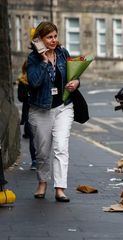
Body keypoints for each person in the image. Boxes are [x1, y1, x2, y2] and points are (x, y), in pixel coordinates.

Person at [27, 21, 79, 202]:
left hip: (63, 106)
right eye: (49, 37)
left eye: (55, 36)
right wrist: (43, 60)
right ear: (39, 39)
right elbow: (34, 82)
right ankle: (42, 182)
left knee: (61, 147)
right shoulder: (33, 59)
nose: (53, 40)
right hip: (40, 109)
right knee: (42, 151)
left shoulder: (63, 54)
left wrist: (76, 83)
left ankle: (60, 188)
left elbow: (74, 74)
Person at [17, 61, 37, 170]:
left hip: (41, 111)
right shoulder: (23, 81)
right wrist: (28, 95)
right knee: (33, 137)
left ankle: (41, 158)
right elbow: (20, 97)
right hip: (29, 112)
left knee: (42, 138)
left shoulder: (39, 78)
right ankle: (34, 160)